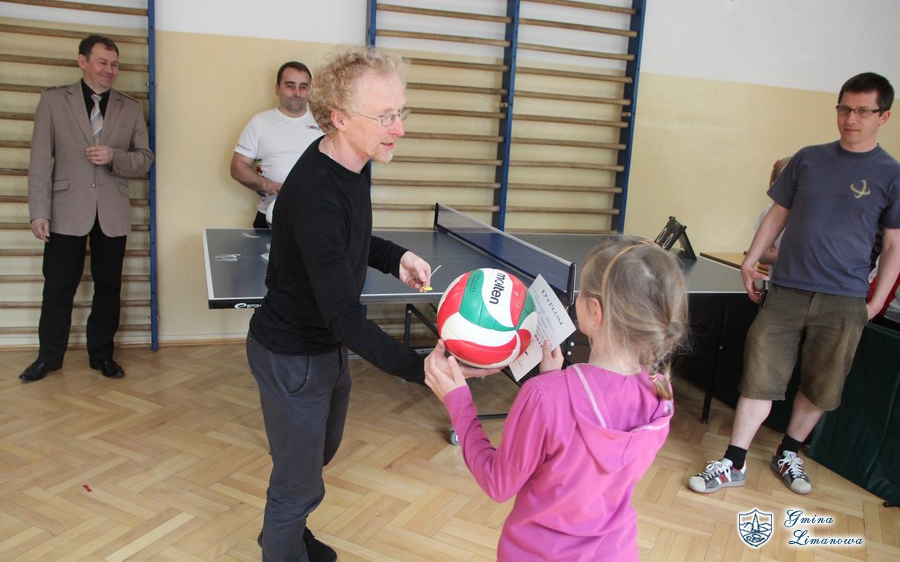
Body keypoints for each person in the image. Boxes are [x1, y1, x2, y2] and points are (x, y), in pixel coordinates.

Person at [245, 46, 495, 561]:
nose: (398, 128)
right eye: (384, 116)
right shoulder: (316, 194)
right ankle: (283, 545)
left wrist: (393, 256)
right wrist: (422, 368)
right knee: (296, 483)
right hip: (293, 356)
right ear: (339, 118)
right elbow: (344, 316)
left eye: (400, 112)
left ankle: (286, 535)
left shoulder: (352, 161)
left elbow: (349, 238)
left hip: (323, 349)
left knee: (316, 458)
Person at [688, 72, 900, 496]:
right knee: (759, 375)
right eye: (844, 108)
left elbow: (894, 246)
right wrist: (750, 259)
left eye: (862, 111)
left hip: (844, 300)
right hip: (786, 291)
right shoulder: (808, 159)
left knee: (821, 384)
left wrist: (876, 302)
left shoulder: (891, 175)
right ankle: (734, 461)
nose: (850, 119)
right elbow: (777, 214)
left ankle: (788, 452)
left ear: (884, 116)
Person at [425, 238, 689, 561]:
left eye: (581, 291)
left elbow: (498, 483)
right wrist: (555, 380)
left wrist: (459, 403)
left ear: (595, 312)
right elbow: (591, 468)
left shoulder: (544, 397)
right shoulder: (661, 392)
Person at [20, 34, 154, 382]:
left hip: (112, 212)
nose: (110, 70)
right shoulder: (53, 101)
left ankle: (102, 355)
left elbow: (144, 159)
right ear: (83, 62)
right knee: (58, 287)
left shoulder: (130, 107)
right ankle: (49, 357)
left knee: (108, 287)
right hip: (65, 211)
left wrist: (115, 157)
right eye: (102, 62)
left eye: (115, 64)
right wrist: (39, 211)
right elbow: (39, 162)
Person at [230, 61, 323, 228]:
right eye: (290, 86)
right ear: (277, 88)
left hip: (313, 218)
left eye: (303, 87)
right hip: (268, 216)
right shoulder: (260, 122)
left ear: (310, 90)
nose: (297, 93)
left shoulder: (324, 125)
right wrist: (266, 185)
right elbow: (237, 166)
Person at [754, 156, 791, 267]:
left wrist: (777, 255)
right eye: (781, 180)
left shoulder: (810, 213)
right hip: (777, 275)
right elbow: (761, 255)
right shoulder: (768, 211)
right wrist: (789, 258)